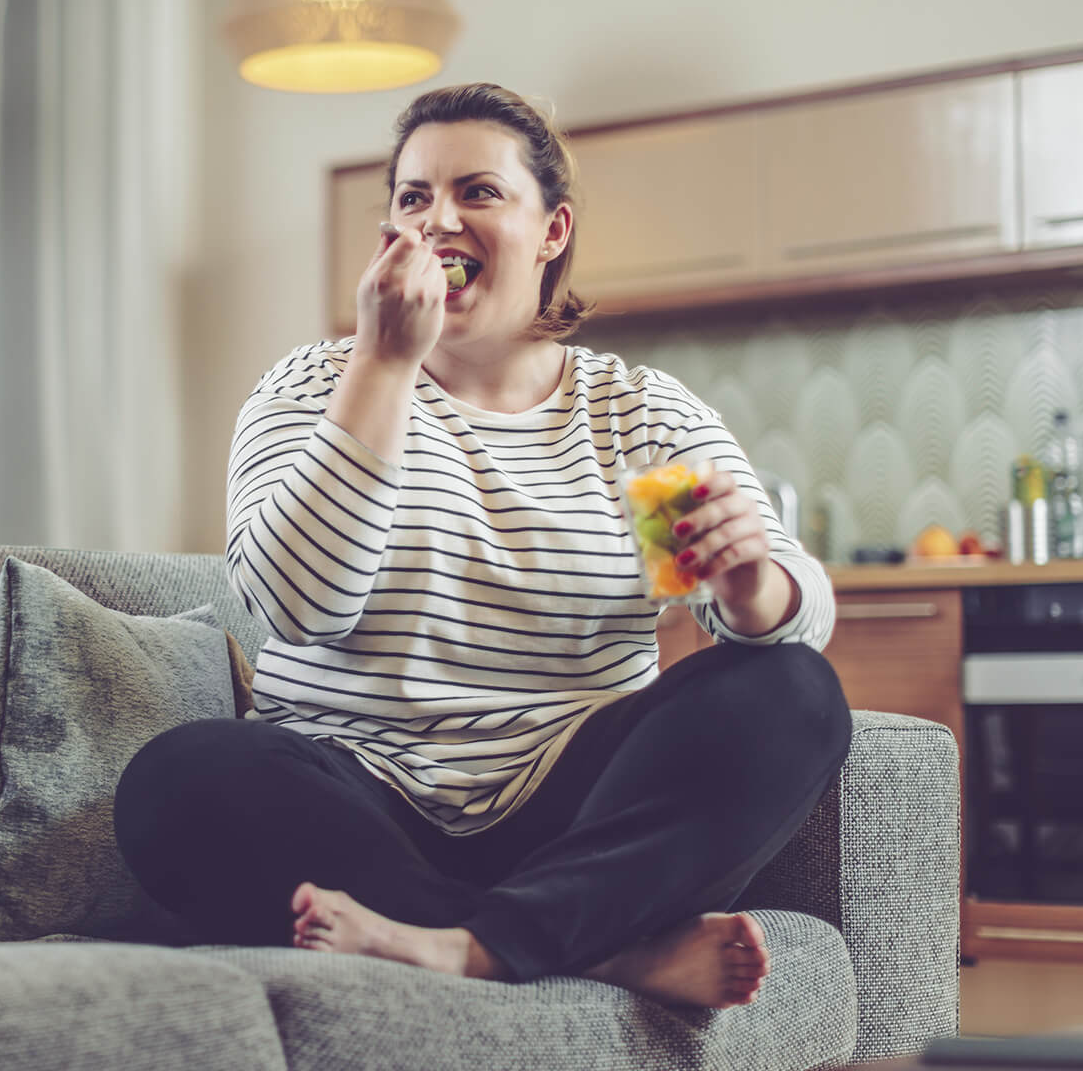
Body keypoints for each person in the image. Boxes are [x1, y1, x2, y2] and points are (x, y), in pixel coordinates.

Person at [115, 82, 849, 1009]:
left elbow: (785, 622)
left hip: (569, 812)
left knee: (790, 692)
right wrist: (383, 363)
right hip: (358, 803)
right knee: (178, 780)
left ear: (552, 231)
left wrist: (752, 589)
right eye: (414, 198)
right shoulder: (311, 387)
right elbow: (300, 608)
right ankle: (588, 950)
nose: (439, 221)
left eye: (479, 193)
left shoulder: (635, 418)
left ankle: (473, 938)